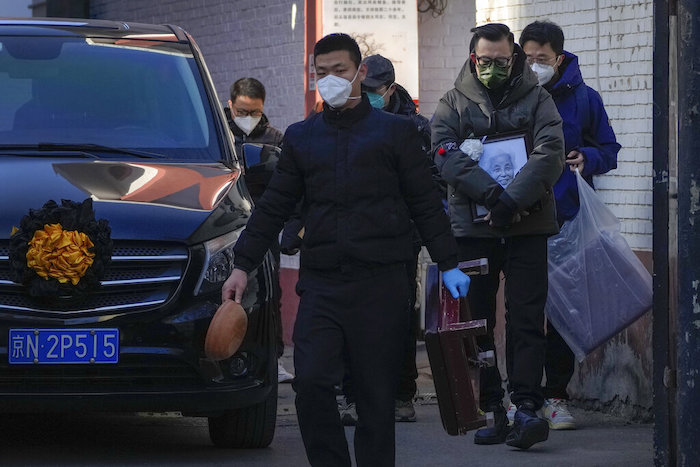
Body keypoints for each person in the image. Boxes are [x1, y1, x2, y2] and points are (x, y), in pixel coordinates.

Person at [221, 33, 470, 467]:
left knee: (376, 396)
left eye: (339, 71)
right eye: (321, 73)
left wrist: (448, 263)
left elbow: (424, 203)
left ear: (358, 72)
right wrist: (241, 265)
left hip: (382, 285)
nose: (330, 80)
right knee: (312, 382)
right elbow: (275, 205)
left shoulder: (396, 133)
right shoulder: (302, 138)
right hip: (322, 285)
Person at [431, 23, 564, 450]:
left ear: (516, 59)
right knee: (478, 322)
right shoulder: (452, 102)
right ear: (473, 58)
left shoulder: (539, 98)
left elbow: (550, 153)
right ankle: (493, 408)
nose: (492, 68)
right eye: (484, 61)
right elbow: (443, 155)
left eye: (501, 62)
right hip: (474, 231)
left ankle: (527, 407)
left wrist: (511, 201)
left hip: (529, 227)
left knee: (527, 319)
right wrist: (492, 196)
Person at [518, 20, 620, 430]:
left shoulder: (584, 99)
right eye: (526, 58)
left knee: (561, 314)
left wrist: (587, 159)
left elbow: (608, 149)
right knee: (524, 310)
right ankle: (521, 398)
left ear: (558, 58)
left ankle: (555, 396)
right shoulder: (512, 97)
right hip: (521, 221)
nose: (533, 66)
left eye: (541, 59)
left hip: (567, 220)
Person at [336, 54, 435, 426]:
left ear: (390, 88)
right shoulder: (347, 120)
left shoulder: (416, 127)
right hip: (355, 236)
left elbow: (430, 186)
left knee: (400, 317)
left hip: (401, 240)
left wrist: (421, 233)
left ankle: (401, 394)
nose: (368, 96)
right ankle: (353, 395)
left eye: (374, 91)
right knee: (352, 316)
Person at [224, 77, 293, 383]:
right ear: (230, 105)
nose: (248, 118)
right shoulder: (219, 135)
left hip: (263, 225)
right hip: (226, 224)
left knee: (269, 291)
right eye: (242, 111)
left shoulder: (275, 140)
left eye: (254, 112)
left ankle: (272, 357)